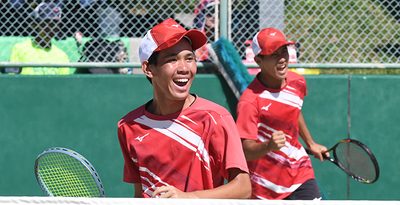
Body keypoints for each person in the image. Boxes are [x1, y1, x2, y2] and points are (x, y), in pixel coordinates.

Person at [117, 18, 251, 199]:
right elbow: (140, 194)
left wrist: (189, 198)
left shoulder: (216, 118)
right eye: (172, 59)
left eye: (189, 59)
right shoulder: (128, 126)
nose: (184, 68)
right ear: (149, 69)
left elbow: (243, 188)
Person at [235, 27, 328, 200]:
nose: (282, 59)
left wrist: (311, 143)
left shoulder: (297, 82)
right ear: (258, 60)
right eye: (274, 54)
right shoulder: (249, 101)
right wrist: (268, 146)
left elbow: (294, 111)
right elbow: (245, 150)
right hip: (265, 185)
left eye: (283, 51)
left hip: (300, 172)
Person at [7, 2, 72, 75]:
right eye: (46, 23)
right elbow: (12, 79)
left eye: (55, 24)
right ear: (34, 25)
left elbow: (64, 83)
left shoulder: (62, 56)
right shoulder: (20, 49)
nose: (51, 29)